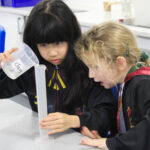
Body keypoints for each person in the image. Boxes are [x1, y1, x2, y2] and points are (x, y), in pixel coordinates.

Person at [0, 0, 116, 136]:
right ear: (33, 44)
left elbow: (107, 114)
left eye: (58, 43)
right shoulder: (30, 68)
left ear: (71, 38)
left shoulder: (88, 68)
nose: (52, 53)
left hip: (79, 140)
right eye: (43, 45)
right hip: (45, 140)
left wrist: (74, 120)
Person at [75, 22, 150, 150]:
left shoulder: (144, 84)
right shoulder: (125, 84)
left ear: (120, 63)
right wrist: (108, 142)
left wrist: (112, 143)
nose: (90, 75)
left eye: (95, 67)